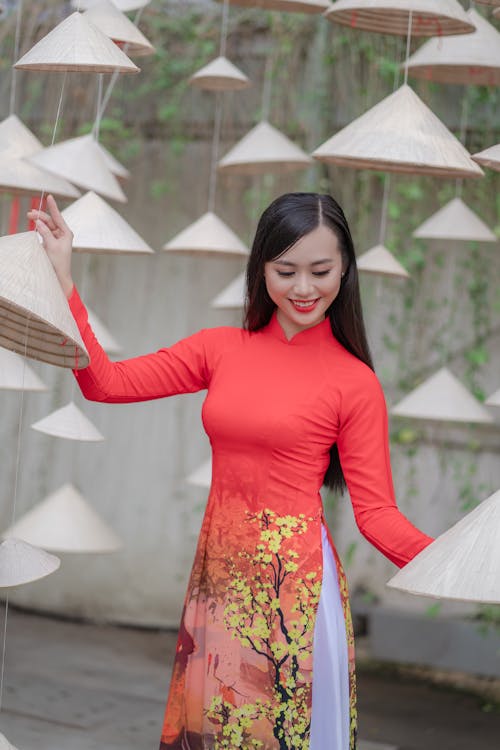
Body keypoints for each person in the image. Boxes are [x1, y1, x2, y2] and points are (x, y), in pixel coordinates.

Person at [30, 192, 433, 750]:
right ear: (260, 268)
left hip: (292, 589)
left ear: (346, 270)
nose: (303, 288)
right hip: (220, 579)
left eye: (321, 270)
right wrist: (63, 280)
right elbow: (106, 384)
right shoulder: (221, 349)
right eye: (285, 270)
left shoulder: (354, 382)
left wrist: (454, 564)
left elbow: (377, 516)